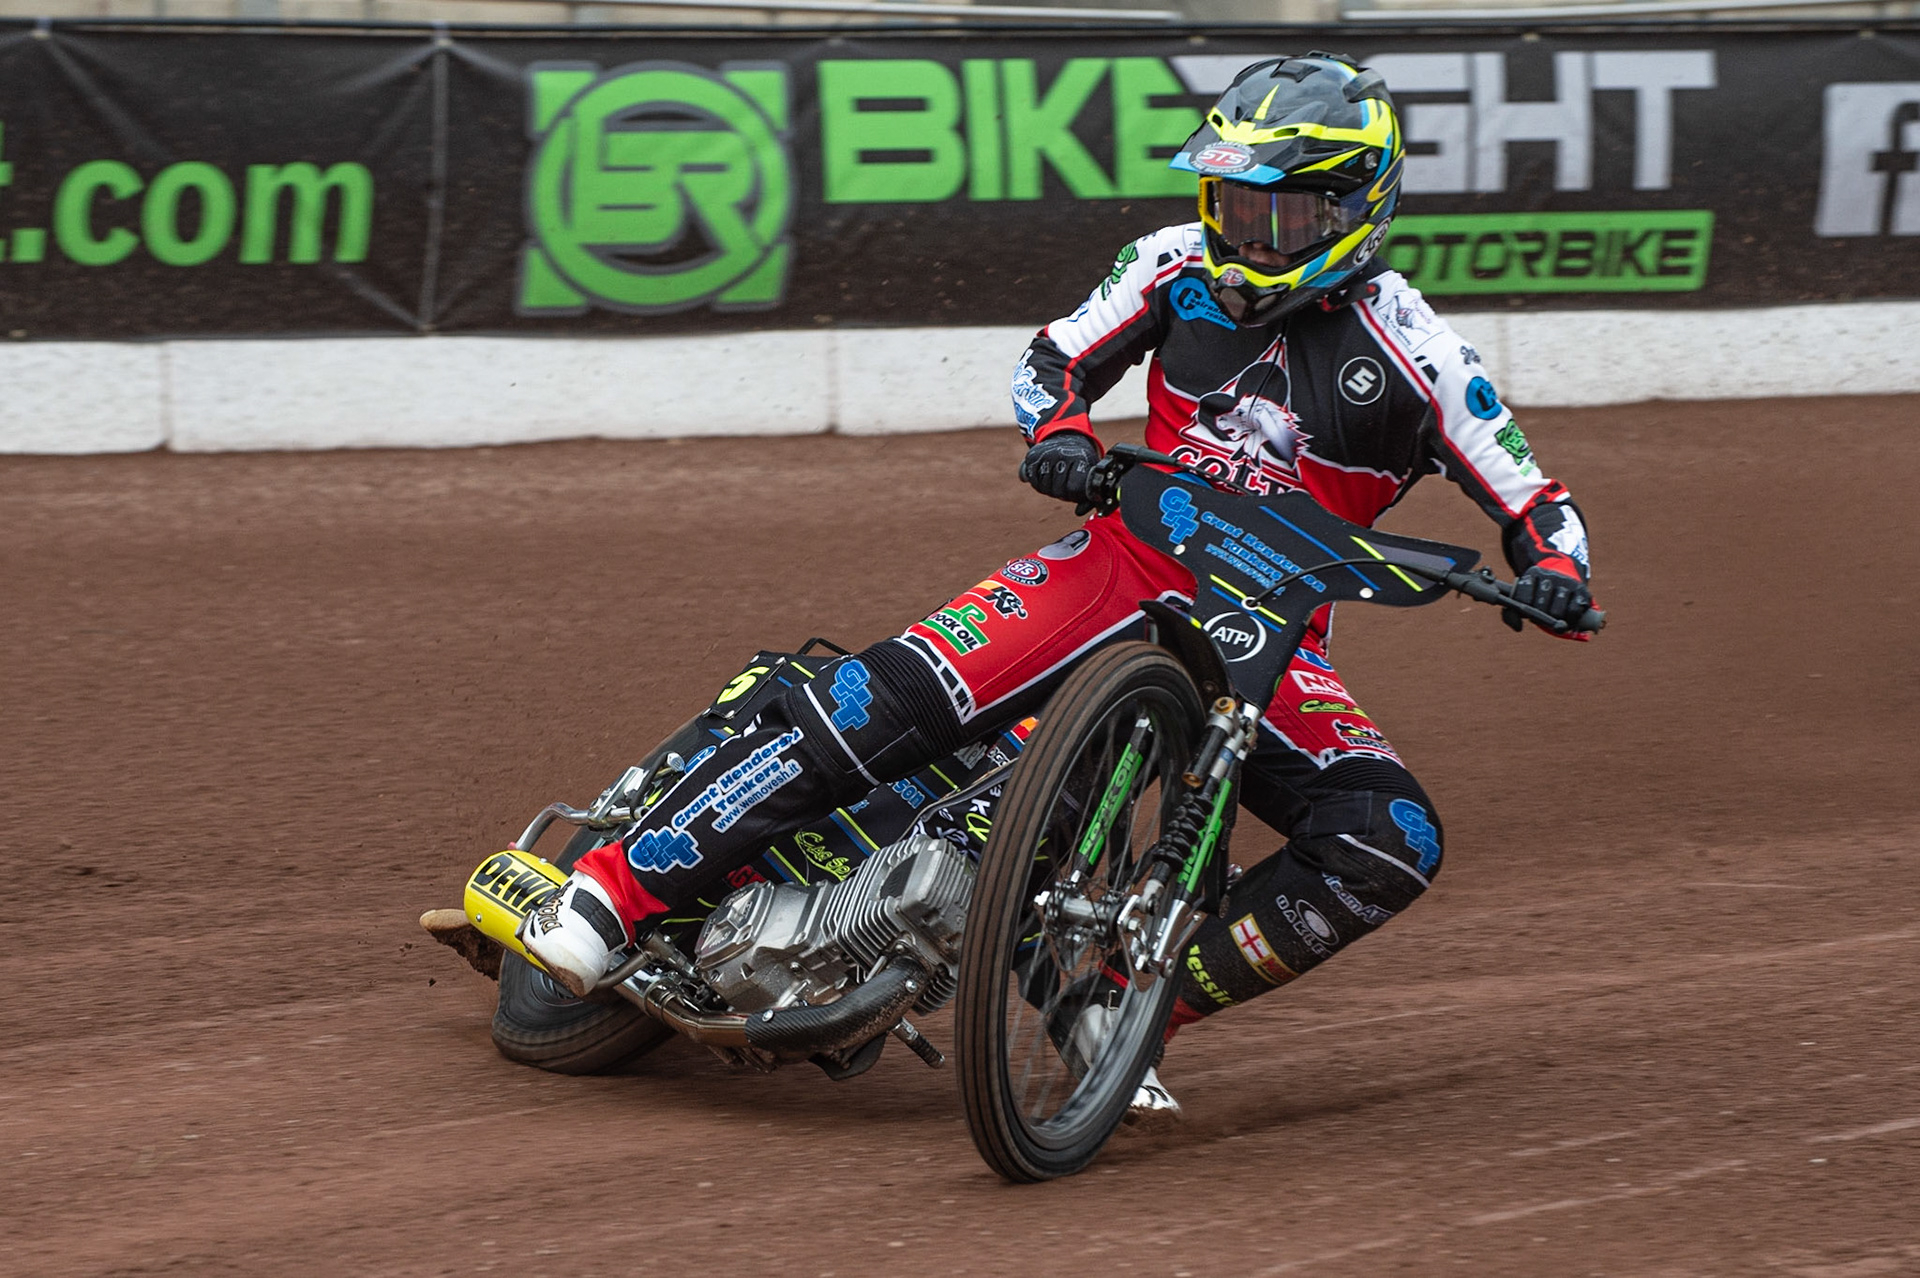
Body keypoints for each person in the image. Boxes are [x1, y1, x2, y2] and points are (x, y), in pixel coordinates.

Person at [522, 52, 1595, 1116]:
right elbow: (1054, 358)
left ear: (1357, 210)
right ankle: (618, 885)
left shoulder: (1421, 351)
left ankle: (1126, 1006)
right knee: (879, 696)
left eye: (1281, 218)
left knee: (1390, 838)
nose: (1245, 237)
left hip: (1266, 639)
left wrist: (1555, 571)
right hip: (1116, 563)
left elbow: (1535, 499)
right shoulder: (1176, 263)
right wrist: (1062, 436)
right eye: (1232, 204)